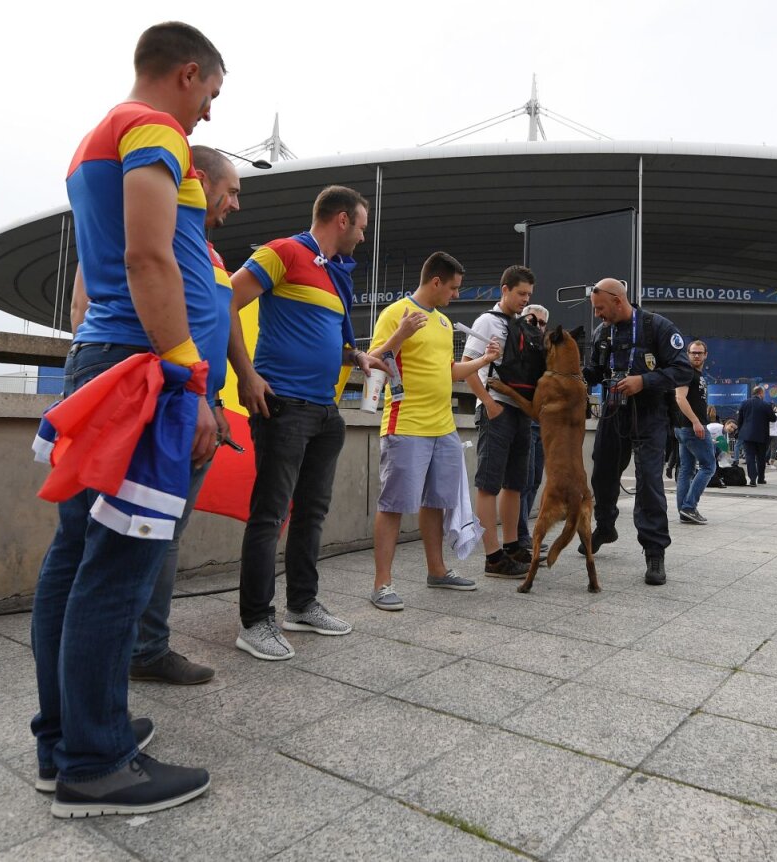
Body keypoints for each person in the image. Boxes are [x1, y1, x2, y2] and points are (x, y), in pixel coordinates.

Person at [30, 21, 225, 817]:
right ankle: (98, 765)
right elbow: (149, 257)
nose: (209, 113)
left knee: (76, 560)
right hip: (140, 367)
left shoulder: (93, 140)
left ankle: (68, 739)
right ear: (187, 74)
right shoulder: (153, 130)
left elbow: (99, 268)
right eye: (212, 93)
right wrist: (186, 369)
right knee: (117, 565)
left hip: (106, 355)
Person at [228, 186, 385, 659]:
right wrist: (246, 373)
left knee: (311, 514)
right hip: (284, 405)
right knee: (270, 514)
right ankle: (255, 621)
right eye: (361, 225)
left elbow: (323, 340)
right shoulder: (283, 253)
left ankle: (302, 605)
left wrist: (358, 355)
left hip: (323, 410)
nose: (362, 234)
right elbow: (226, 301)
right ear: (341, 219)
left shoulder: (336, 275)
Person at [128, 145, 241, 684]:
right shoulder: (166, 233)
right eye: (233, 190)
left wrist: (218, 399)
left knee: (167, 533)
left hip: (202, 403)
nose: (235, 204)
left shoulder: (209, 255)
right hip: (173, 401)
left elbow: (220, 324)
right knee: (150, 532)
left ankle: (146, 644)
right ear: (203, 184)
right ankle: (143, 648)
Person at [367, 252, 501, 611]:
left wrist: (484, 361)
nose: (456, 295)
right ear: (436, 281)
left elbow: (450, 371)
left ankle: (437, 570)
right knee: (393, 504)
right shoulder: (395, 314)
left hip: (443, 427)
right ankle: (382, 583)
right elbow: (373, 361)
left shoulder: (443, 323)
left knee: (437, 501)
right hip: (406, 424)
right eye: (454, 288)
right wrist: (400, 334)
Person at [579, 278, 693, 585]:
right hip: (613, 413)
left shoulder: (657, 327)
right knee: (601, 474)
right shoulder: (603, 333)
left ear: (618, 300)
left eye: (601, 309)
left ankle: (654, 551)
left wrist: (644, 381)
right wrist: (576, 374)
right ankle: (605, 526)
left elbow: (684, 370)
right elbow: (596, 371)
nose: (598, 316)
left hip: (650, 415)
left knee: (649, 483)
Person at [462, 265, 537, 577]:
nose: (525, 300)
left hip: (520, 410)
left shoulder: (520, 324)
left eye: (529, 295)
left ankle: (511, 545)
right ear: (504, 289)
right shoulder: (487, 322)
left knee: (515, 484)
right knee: (489, 484)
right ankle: (493, 556)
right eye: (520, 294)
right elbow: (467, 366)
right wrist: (490, 404)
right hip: (496, 411)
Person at [515, 304, 549, 556]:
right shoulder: (516, 342)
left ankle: (523, 533)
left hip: (543, 425)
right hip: (524, 421)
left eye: (542, 322)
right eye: (532, 320)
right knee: (523, 481)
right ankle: (519, 536)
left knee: (535, 480)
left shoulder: (547, 349)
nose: (537, 325)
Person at [673, 339, 715, 524]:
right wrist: (696, 421)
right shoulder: (686, 373)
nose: (696, 355)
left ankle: (685, 510)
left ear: (705, 355)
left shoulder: (697, 375)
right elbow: (679, 398)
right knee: (709, 466)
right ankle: (689, 507)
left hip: (685, 427)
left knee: (686, 470)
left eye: (699, 353)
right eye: (693, 353)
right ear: (687, 354)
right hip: (691, 428)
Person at [736, 385, 777, 484]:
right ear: (761, 393)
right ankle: (761, 478)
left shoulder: (744, 403)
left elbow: (739, 420)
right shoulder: (765, 405)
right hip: (762, 436)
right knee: (761, 457)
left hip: (747, 435)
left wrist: (740, 431)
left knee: (749, 456)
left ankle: (752, 479)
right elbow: (773, 419)